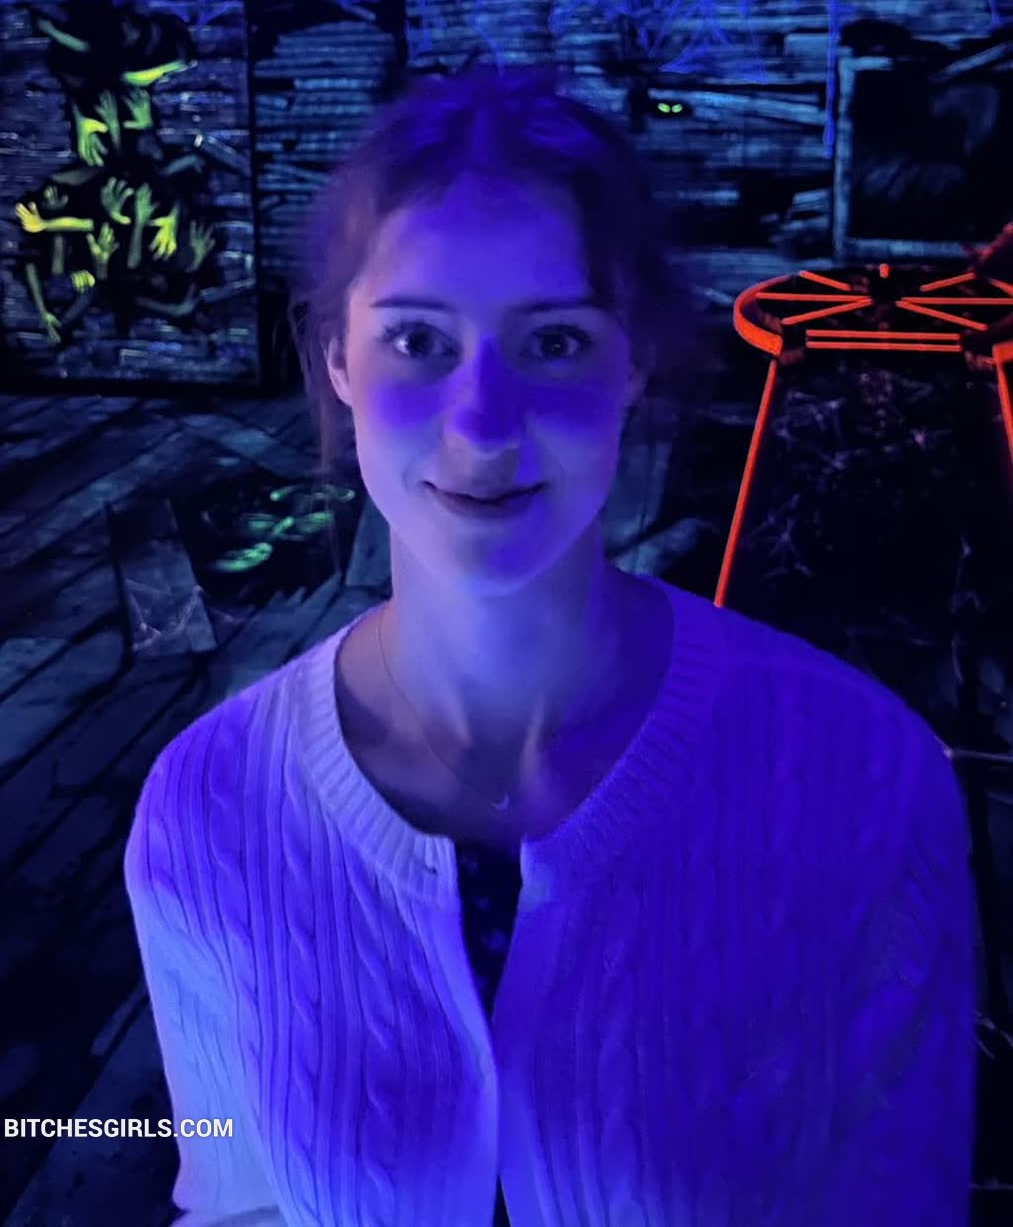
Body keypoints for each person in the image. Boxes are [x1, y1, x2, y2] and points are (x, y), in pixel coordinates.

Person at [124, 62, 978, 1226]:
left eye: (556, 342)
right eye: (417, 338)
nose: (482, 422)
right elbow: (237, 1202)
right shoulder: (207, 806)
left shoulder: (863, 781)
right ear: (336, 359)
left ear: (634, 360)